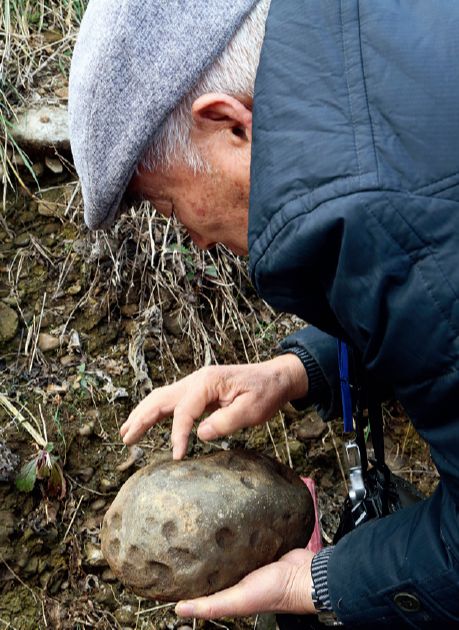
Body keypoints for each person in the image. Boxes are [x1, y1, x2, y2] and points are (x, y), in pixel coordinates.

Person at [68, 0, 459, 626]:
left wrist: (321, 582)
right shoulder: (381, 42)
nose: (190, 238)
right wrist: (293, 372)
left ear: (229, 123)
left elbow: (420, 267)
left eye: (169, 207)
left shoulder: (379, 216)